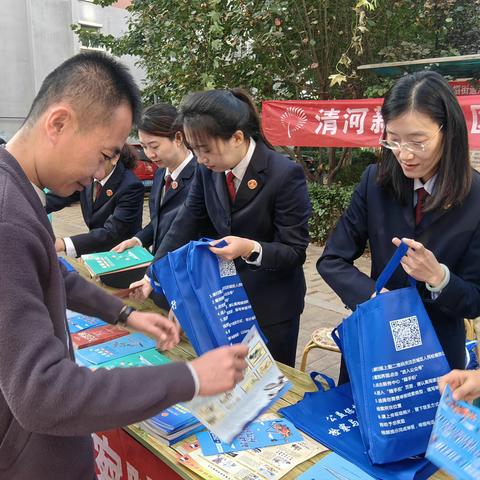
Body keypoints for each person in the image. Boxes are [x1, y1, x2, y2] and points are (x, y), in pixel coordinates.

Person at [0, 51, 248, 480]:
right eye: (104, 153)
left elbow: (53, 273)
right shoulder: (7, 217)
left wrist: (125, 314)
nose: (104, 170)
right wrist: (188, 378)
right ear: (58, 123)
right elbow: (42, 393)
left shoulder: (18, 190)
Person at [317, 70, 480, 384]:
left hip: (436, 359)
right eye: (393, 141)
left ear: (448, 132)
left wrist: (439, 277)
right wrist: (376, 298)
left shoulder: (475, 198)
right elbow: (331, 260)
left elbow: (475, 298)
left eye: (418, 142)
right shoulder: (375, 183)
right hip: (374, 343)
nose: (404, 155)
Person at [129, 88, 311, 367]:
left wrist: (249, 248)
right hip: (224, 297)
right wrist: (153, 274)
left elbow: (294, 251)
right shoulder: (208, 170)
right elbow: (184, 224)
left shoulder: (284, 174)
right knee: (232, 381)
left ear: (237, 137)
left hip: (271, 307)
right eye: (194, 150)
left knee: (271, 386)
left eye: (205, 150)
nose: (200, 159)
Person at [46, 143, 144, 256]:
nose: (89, 168)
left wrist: (62, 244)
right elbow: (60, 196)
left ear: (114, 158)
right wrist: (29, 206)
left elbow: (112, 232)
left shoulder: (130, 186)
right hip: (96, 250)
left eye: (95, 162)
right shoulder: (88, 176)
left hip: (121, 255)